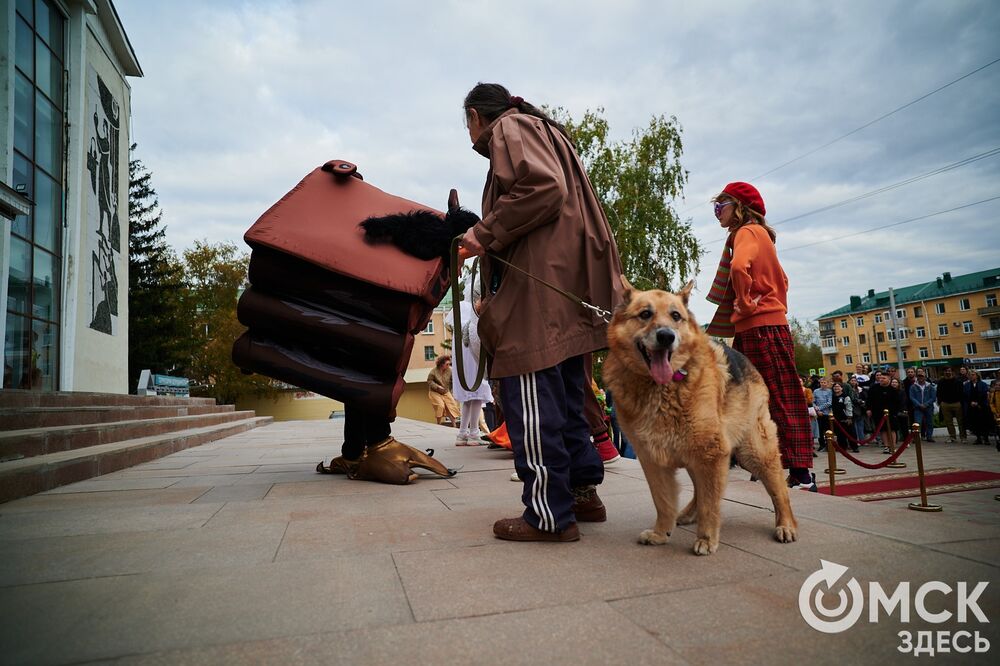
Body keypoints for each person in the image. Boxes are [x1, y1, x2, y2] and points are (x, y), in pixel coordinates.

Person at [458, 83, 625, 542]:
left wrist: (482, 234)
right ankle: (581, 494)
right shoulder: (546, 130)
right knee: (569, 393)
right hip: (567, 283)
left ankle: (549, 515)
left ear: (475, 115)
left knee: (531, 392)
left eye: (464, 122)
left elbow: (542, 186)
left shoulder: (509, 128)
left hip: (538, 289)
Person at [705, 182, 814, 490]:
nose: (716, 213)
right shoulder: (757, 235)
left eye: (720, 205)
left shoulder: (748, 232)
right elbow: (783, 279)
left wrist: (747, 300)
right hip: (760, 328)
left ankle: (801, 474)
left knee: (773, 396)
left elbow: (741, 267)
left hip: (761, 328)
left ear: (739, 206)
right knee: (762, 397)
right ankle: (780, 466)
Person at [451, 264, 494, 446]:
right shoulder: (473, 309)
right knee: (476, 393)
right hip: (471, 356)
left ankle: (463, 432)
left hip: (463, 357)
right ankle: (473, 432)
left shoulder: (459, 308)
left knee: (470, 397)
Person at [867, 371, 901, 454]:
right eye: (880, 378)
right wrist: (868, 409)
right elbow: (869, 400)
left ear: (889, 379)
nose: (881, 379)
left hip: (891, 413)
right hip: (878, 412)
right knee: (882, 430)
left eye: (883, 378)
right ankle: (886, 446)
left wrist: (896, 412)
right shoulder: (873, 388)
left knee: (892, 429)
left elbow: (898, 402)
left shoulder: (893, 390)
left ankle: (893, 446)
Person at [427, 355, 461, 427]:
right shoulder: (433, 371)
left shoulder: (450, 370)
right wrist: (437, 386)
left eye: (449, 364)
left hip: (445, 391)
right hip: (435, 392)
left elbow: (454, 381)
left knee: (452, 405)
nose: (448, 366)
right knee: (440, 405)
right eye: (447, 364)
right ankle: (438, 423)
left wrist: (453, 391)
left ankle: (454, 425)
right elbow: (429, 381)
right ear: (442, 364)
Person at [935, 366, 966, 443]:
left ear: (952, 372)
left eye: (949, 371)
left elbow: (962, 393)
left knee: (960, 421)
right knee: (948, 422)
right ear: (944, 372)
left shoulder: (958, 381)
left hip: (957, 403)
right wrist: (940, 403)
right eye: (946, 371)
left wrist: (961, 403)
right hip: (945, 404)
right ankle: (952, 437)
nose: (947, 372)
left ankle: (963, 437)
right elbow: (938, 393)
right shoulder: (941, 382)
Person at [962, 370, 991, 445]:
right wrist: (971, 402)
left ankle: (986, 438)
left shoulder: (983, 384)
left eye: (973, 374)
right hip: (971, 407)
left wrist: (978, 403)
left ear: (977, 375)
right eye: (970, 375)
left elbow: (985, 395)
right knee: (974, 422)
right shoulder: (967, 385)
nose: (971, 376)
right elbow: (965, 396)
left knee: (984, 422)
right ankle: (978, 438)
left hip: (982, 406)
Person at [909, 369, 937, 442]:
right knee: (917, 423)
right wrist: (919, 405)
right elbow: (912, 397)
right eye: (919, 377)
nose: (920, 378)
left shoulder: (930, 386)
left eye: (922, 377)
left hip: (928, 407)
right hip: (918, 408)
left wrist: (926, 404)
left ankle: (929, 436)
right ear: (917, 377)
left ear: (925, 377)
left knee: (929, 422)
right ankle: (916, 437)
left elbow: (933, 397)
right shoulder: (913, 387)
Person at [831, 382, 858, 453]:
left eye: (838, 386)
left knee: (851, 433)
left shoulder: (846, 396)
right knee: (839, 433)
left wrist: (849, 417)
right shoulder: (832, 397)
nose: (836, 388)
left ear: (842, 388)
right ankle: (842, 447)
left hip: (846, 417)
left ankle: (854, 447)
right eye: (835, 387)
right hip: (836, 418)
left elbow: (849, 407)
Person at [813, 378, 833, 451]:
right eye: (821, 382)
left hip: (826, 413)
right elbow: (813, 401)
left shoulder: (829, 391)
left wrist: (819, 408)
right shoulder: (816, 391)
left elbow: (829, 403)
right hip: (818, 413)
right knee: (820, 430)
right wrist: (817, 409)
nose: (823, 384)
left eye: (824, 382)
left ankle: (829, 445)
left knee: (827, 429)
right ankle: (821, 444)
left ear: (827, 383)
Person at [848, 376, 867, 442]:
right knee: (854, 426)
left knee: (861, 425)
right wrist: (860, 401)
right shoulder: (848, 389)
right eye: (852, 380)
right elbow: (852, 398)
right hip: (852, 408)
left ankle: (862, 439)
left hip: (860, 409)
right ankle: (856, 440)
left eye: (855, 380)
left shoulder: (860, 389)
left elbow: (864, 397)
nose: (853, 382)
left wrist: (863, 402)